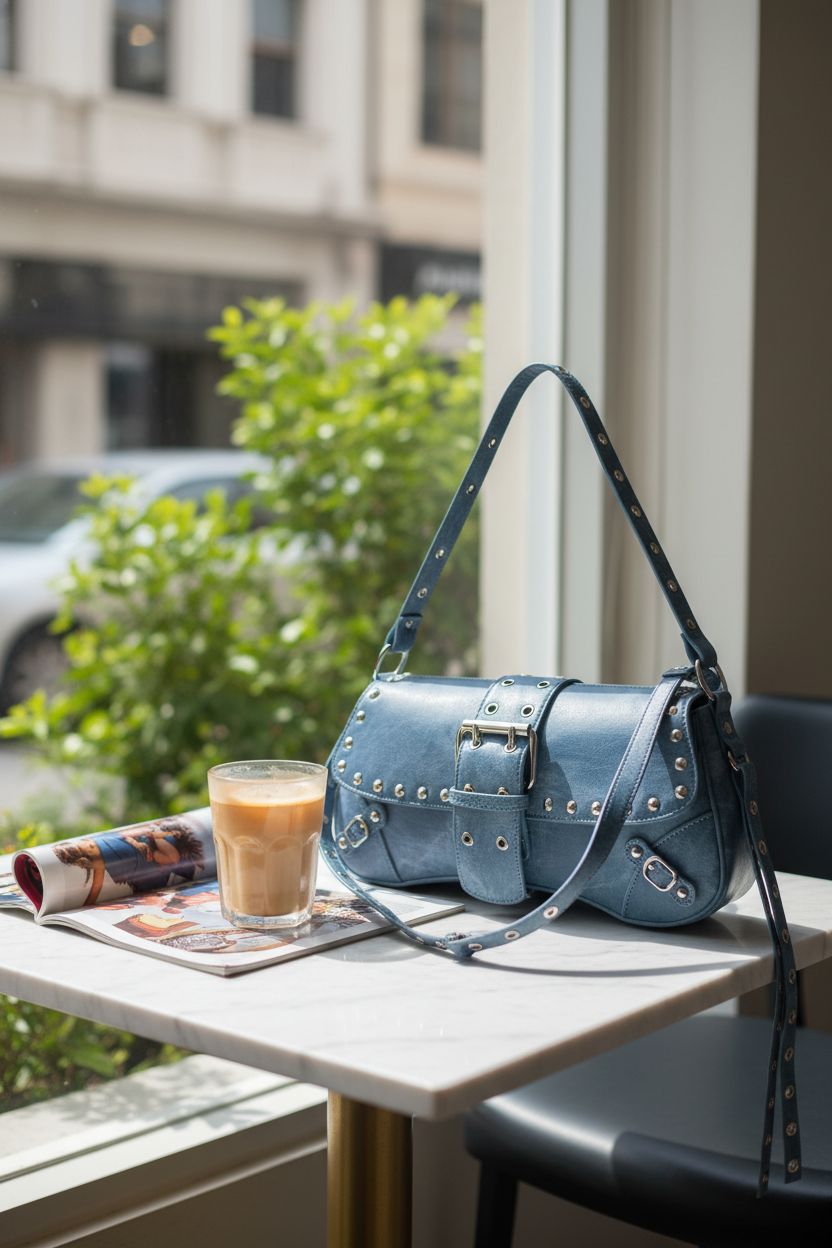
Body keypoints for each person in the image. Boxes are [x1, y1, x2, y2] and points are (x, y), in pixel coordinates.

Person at [53, 818, 204, 906]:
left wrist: (136, 842)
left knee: (170, 858)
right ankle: (155, 838)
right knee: (166, 861)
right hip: (143, 859)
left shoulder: (91, 846)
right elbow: (97, 882)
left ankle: (156, 836)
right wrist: (88, 903)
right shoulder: (92, 856)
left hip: (143, 845)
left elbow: (123, 835)